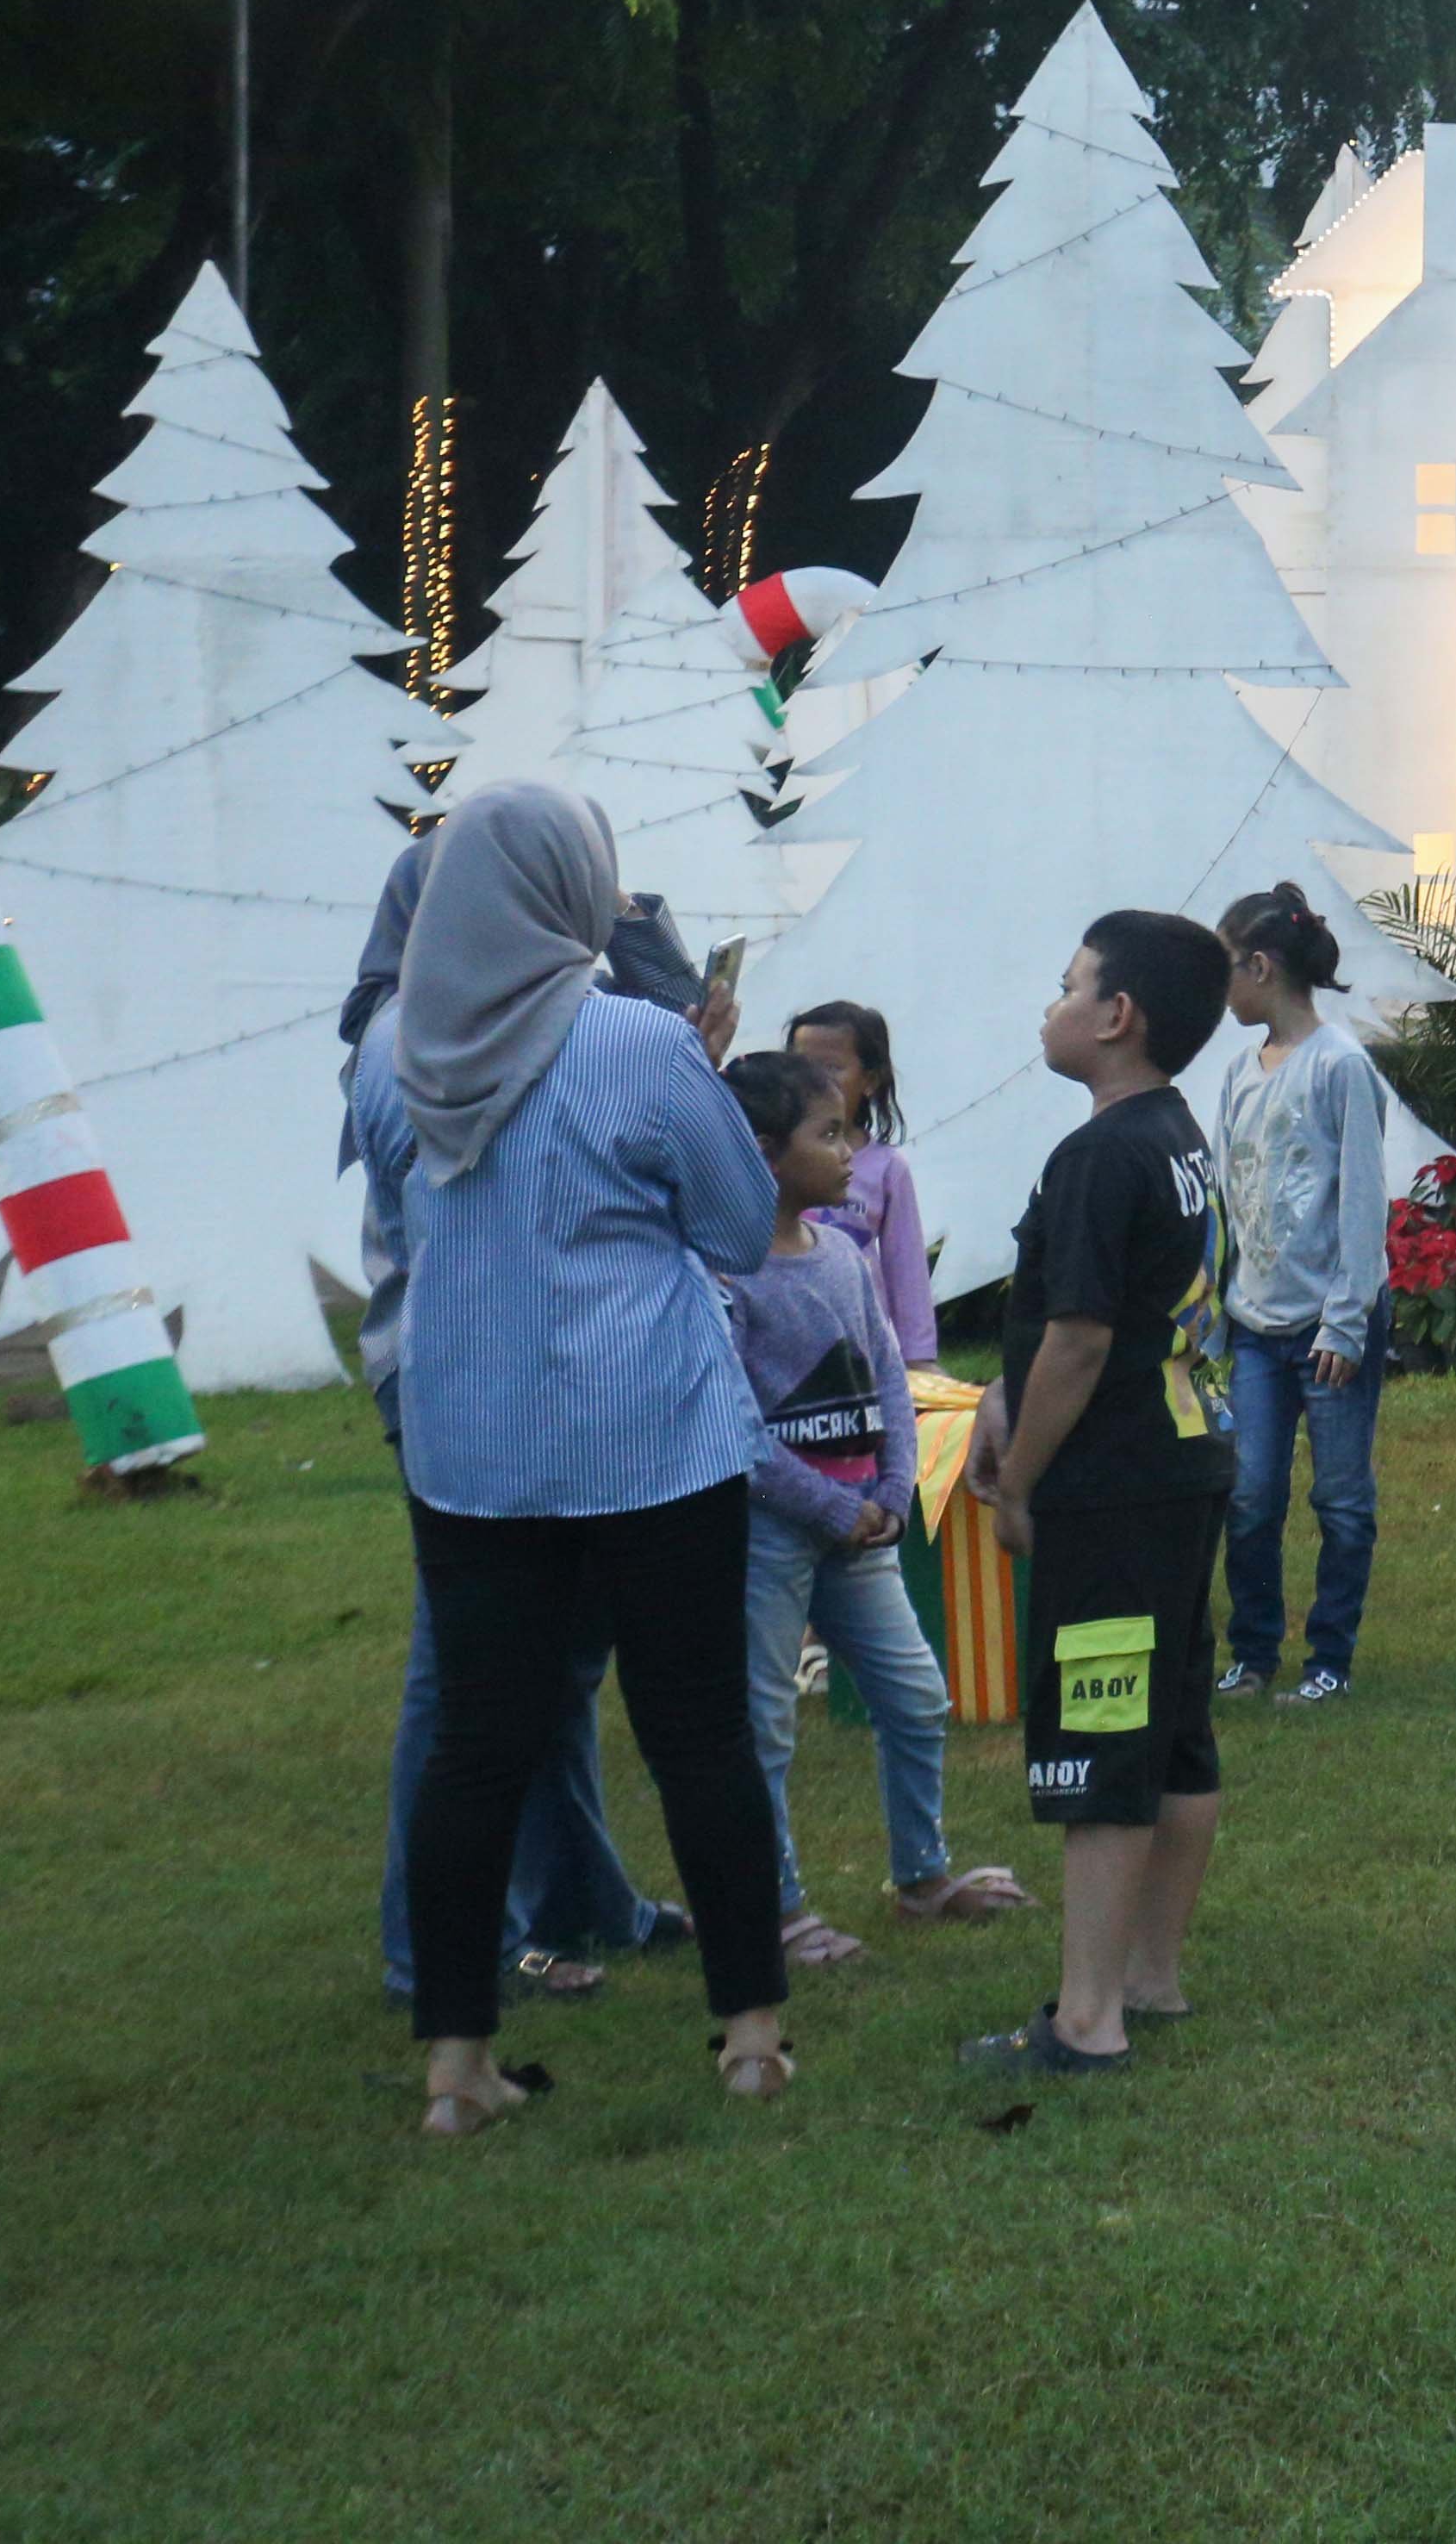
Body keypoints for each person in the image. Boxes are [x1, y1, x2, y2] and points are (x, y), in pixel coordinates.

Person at [351, 783, 793, 2136]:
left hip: (474, 1451)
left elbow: (397, 1227)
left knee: (475, 1752)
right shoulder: (640, 1046)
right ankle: (753, 2035)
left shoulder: (388, 1055)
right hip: (653, 1437)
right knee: (699, 1731)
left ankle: (455, 2066)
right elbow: (737, 1222)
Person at [349, 830, 698, 2006]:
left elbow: (672, 1064)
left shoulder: (521, 1016)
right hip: (470, 1381)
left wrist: (640, 946)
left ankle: (573, 1899)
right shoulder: (425, 1037)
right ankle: (441, 1952)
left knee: (557, 1661)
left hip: (534, 1374)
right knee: (464, 1676)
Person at [958, 911, 1238, 2079]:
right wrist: (994, 1394)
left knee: (1101, 1738)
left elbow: (1076, 1340)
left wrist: (1018, 1482)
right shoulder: (1174, 1137)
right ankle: (1149, 1977)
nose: (1052, 1003)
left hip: (1111, 1489)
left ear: (1116, 1016)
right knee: (1174, 1733)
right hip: (1180, 1470)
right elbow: (1074, 1322)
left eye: (1067, 984)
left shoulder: (1097, 1154)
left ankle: (1086, 2021)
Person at [719, 1051, 1027, 1967]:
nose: (853, 1151)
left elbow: (891, 1379)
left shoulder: (846, 1256)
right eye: (829, 1133)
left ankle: (923, 1879)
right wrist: (824, 1505)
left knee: (916, 1698)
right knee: (766, 1725)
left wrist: (890, 1492)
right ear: (766, 1153)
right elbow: (733, 1425)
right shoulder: (725, 1272)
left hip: (862, 1529)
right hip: (772, 1536)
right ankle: (776, 1913)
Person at [1210, 882, 1393, 1706]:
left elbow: (1361, 1202)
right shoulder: (1237, 1073)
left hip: (1329, 1324)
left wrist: (1346, 1323)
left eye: (1228, 972)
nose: (1222, 993)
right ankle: (1252, 1655)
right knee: (1249, 1495)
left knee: (1340, 1498)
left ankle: (1330, 1661)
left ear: (1261, 966)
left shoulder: (1342, 1066)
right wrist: (1213, 1311)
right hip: (1253, 1322)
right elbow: (1226, 1196)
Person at [787, 999, 937, 1369]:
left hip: (862, 1348)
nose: (813, 1081)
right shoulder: (772, 1156)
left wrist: (918, 1360)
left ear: (870, 1081)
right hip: (785, 1334)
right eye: (799, 1066)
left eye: (831, 1068)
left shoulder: (887, 1169)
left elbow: (908, 1273)